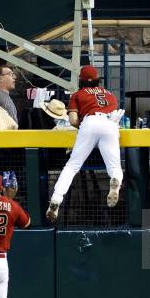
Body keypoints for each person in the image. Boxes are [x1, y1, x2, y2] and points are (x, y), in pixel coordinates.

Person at [45, 66, 124, 222]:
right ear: (97, 79)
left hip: (90, 122)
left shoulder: (78, 94)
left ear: (81, 80)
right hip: (110, 123)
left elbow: (74, 120)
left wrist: (86, 129)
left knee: (72, 165)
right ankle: (115, 180)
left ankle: (56, 198)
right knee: (115, 167)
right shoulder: (109, 94)